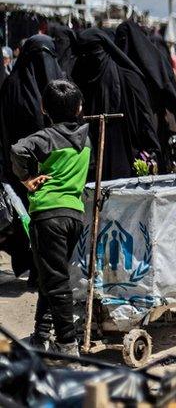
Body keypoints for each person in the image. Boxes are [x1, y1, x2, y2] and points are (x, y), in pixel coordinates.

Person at [11, 80, 91, 355]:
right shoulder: (86, 139)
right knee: (51, 277)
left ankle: (67, 344)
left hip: (48, 216)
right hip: (74, 216)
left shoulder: (45, 137)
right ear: (79, 108)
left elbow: (18, 150)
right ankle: (41, 335)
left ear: (44, 108)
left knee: (55, 283)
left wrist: (27, 179)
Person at [0, 35, 65, 278]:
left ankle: (35, 268)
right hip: (44, 166)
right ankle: (42, 270)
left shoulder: (11, 84)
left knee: (32, 219)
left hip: (21, 168)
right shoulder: (57, 85)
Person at [72, 29, 161, 181]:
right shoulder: (78, 80)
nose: (87, 57)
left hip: (127, 158)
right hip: (89, 163)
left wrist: (151, 152)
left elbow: (145, 120)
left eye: (92, 51)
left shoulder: (129, 80)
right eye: (83, 53)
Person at [115, 20, 176, 174]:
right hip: (147, 119)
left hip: (156, 117)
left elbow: (168, 88)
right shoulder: (152, 59)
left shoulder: (150, 60)